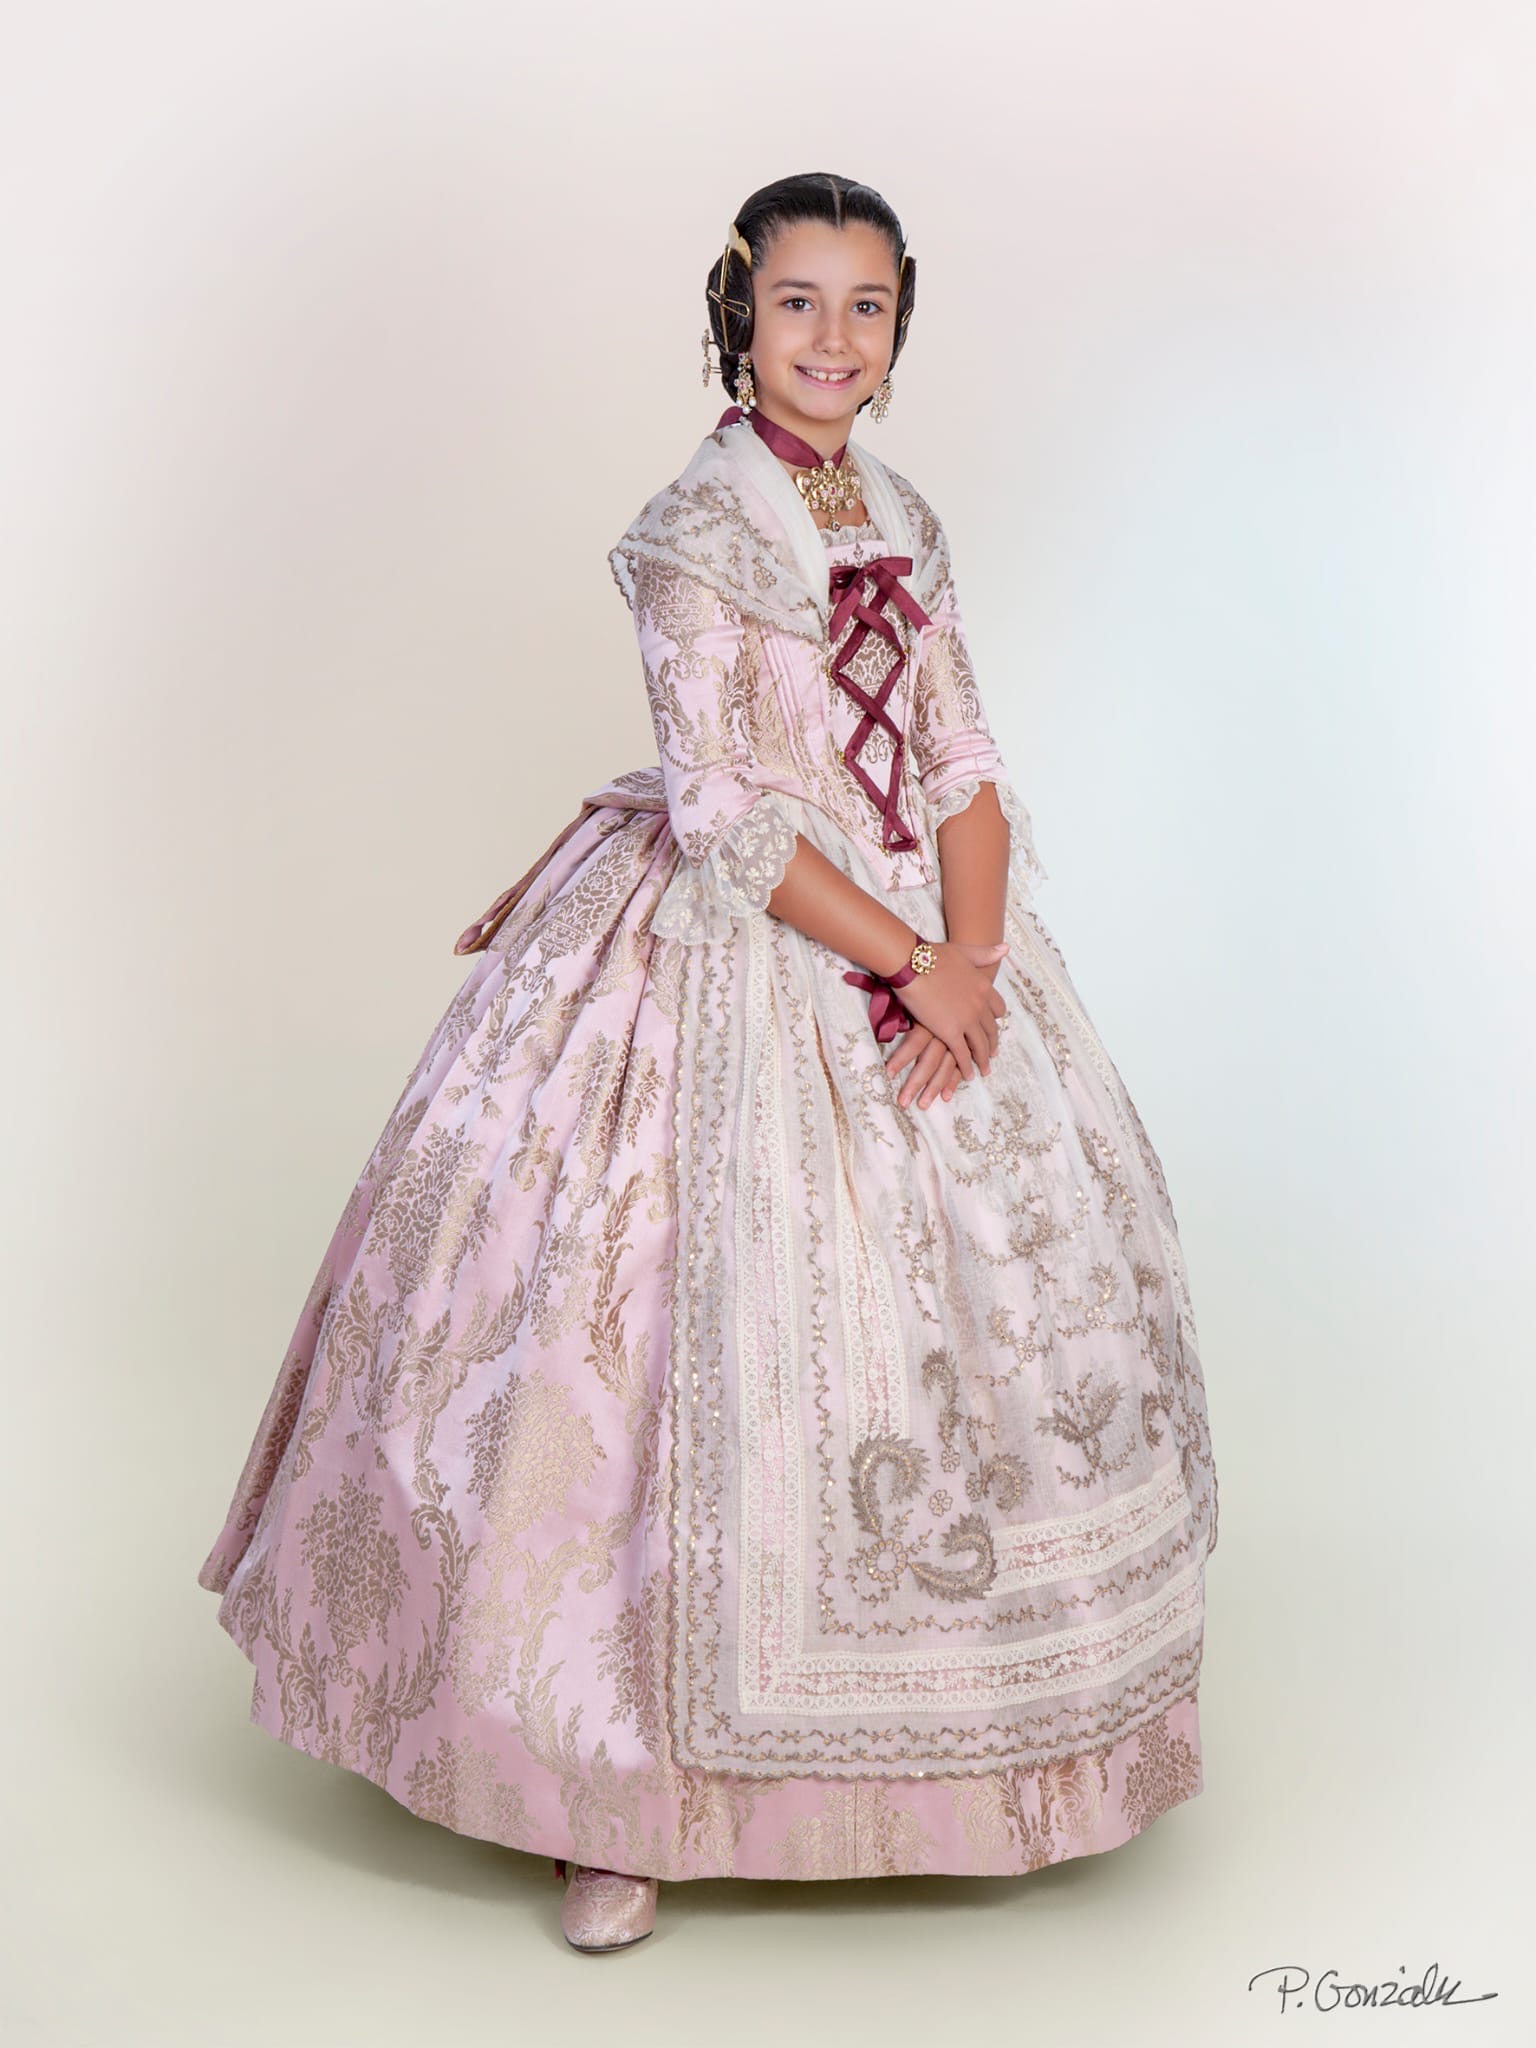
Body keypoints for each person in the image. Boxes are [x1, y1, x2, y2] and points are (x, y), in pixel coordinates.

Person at [198, 170, 1219, 1955]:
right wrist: (907, 960)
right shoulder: (693, 529)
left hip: (922, 931)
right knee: (626, 1337)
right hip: (750, 926)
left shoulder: (904, 513)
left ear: (901, 328)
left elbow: (964, 754)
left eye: (866, 306)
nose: (832, 337)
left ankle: (984, 1741)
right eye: (799, 302)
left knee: (997, 1298)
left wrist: (976, 965)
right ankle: (608, 1789)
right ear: (741, 315)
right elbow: (729, 809)